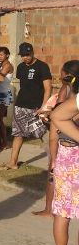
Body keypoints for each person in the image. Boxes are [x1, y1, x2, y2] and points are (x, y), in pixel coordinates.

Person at [32, 61, 77, 218]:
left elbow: (60, 111)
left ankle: (49, 209)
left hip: (61, 135)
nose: (59, 76)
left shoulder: (67, 89)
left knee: (53, 173)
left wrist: (49, 114)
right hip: (71, 134)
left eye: (62, 73)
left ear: (67, 74)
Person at [1, 42, 52, 170]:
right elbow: (23, 86)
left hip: (36, 107)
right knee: (18, 134)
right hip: (20, 106)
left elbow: (48, 88)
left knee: (44, 135)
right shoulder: (20, 67)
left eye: (27, 54)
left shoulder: (42, 66)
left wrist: (44, 107)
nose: (25, 57)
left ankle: (55, 163)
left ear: (32, 53)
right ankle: (13, 162)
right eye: (23, 55)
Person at [50, 63, 79, 245]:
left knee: (63, 212)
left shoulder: (68, 99)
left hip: (67, 156)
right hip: (70, 157)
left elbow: (54, 131)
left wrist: (53, 160)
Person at [0, 47, 14, 153]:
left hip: (3, 94)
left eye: (1, 54)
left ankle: (4, 142)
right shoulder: (0, 64)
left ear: (7, 55)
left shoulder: (7, 65)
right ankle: (0, 141)